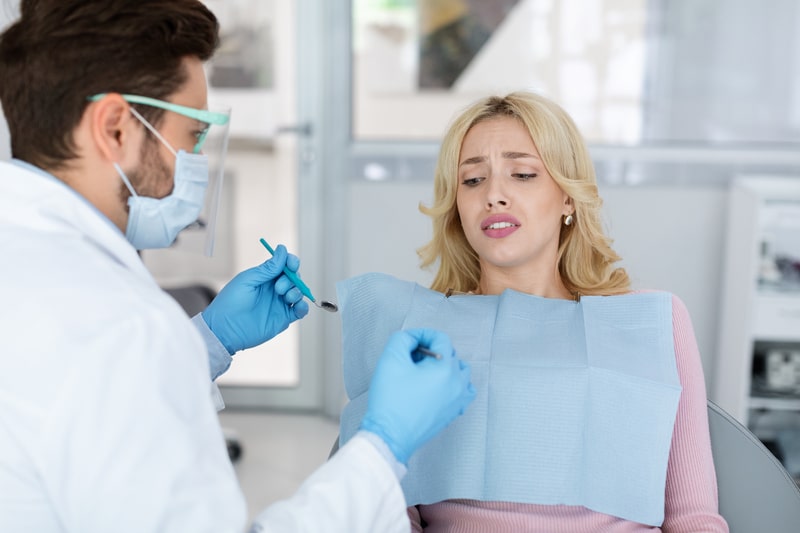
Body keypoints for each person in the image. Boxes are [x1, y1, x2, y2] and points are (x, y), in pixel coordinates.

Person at [0, 1, 475, 532]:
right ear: (114, 128)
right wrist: (385, 445)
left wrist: (203, 342)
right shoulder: (121, 327)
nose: (196, 162)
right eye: (192, 136)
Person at [336, 92, 729, 531]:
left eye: (522, 174)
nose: (494, 195)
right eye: (472, 180)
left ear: (568, 198)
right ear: (457, 209)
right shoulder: (416, 336)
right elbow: (382, 514)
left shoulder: (651, 323)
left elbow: (693, 517)